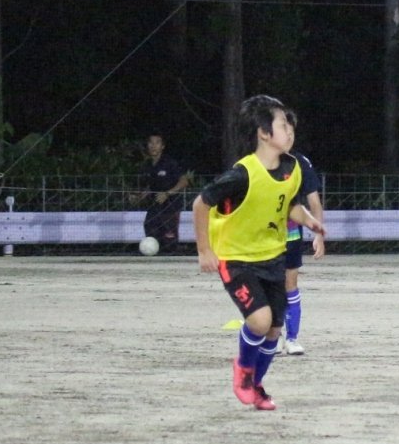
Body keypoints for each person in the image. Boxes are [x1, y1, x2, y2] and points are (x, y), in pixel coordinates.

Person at [193, 96, 325, 410]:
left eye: (290, 125)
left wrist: (309, 221)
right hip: (236, 259)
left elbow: (288, 204)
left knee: (274, 330)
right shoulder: (242, 174)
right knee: (260, 320)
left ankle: (256, 386)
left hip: (273, 257)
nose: (290, 131)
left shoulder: (292, 168)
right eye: (283, 125)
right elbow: (201, 203)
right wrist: (204, 250)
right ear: (264, 133)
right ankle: (243, 370)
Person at [278, 109, 326, 355]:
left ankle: (292, 338)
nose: (288, 135)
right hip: (261, 236)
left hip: (290, 234)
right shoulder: (255, 163)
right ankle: (272, 336)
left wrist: (318, 235)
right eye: (283, 129)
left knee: (290, 283)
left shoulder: (300, 163)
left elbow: (314, 202)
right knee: (266, 285)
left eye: (291, 131)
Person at [132, 132, 187, 253]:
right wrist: (139, 196)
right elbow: (149, 187)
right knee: (151, 239)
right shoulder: (147, 166)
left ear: (162, 146)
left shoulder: (170, 163)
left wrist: (167, 193)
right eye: (151, 143)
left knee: (169, 245)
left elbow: (184, 181)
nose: (153, 146)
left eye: (157, 143)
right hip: (154, 208)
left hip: (170, 208)